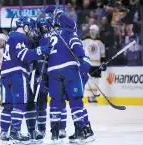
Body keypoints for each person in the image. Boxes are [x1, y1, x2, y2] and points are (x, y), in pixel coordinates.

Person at [45, 6, 94, 144]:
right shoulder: (68, 31)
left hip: (53, 71)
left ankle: (55, 134)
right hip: (70, 70)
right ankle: (82, 131)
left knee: (55, 102)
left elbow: (44, 56)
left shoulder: (47, 36)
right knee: (75, 101)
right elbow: (77, 45)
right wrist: (84, 60)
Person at [0, 16, 51, 144]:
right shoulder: (20, 37)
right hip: (17, 74)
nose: (31, 31)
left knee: (8, 105)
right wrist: (39, 50)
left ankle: (4, 132)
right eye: (30, 28)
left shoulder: (10, 36)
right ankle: (15, 132)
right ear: (26, 27)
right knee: (21, 104)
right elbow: (23, 54)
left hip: (5, 75)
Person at [82, 24, 106, 103]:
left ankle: (94, 95)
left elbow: (103, 54)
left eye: (94, 30)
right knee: (89, 81)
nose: (92, 32)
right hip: (88, 64)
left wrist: (103, 63)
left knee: (96, 81)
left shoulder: (100, 42)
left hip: (97, 65)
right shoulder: (85, 41)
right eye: (91, 30)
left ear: (97, 32)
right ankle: (89, 96)